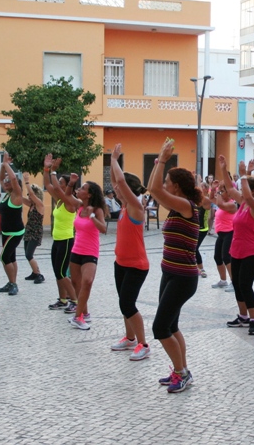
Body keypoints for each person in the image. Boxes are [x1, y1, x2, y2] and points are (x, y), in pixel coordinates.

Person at [148, 138, 201, 393]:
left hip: (183, 277)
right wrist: (159, 163)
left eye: (168, 181)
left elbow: (155, 190)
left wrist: (162, 159)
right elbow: (153, 189)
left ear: (176, 187)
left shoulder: (186, 206)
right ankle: (182, 370)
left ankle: (181, 373)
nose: (164, 184)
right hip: (169, 272)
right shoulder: (175, 205)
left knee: (160, 328)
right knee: (171, 326)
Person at [49, 162, 106, 330]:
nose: (79, 190)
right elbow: (65, 195)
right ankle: (85, 313)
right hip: (76, 250)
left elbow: (103, 229)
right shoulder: (79, 206)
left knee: (87, 281)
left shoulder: (97, 210)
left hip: (90, 251)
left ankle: (78, 317)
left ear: (89, 194)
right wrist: (71, 183)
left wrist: (92, 217)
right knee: (76, 283)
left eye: (82, 188)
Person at [107, 143, 152, 361]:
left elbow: (121, 182)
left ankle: (143, 344)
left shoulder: (135, 206)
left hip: (136, 265)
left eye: (120, 187)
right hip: (121, 263)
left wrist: (114, 160)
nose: (115, 189)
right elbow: (117, 181)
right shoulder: (125, 206)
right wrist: (112, 163)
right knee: (123, 303)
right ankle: (130, 338)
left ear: (129, 190)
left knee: (128, 304)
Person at [219, 156, 254, 335]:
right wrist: (224, 169)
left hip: (252, 251)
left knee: (245, 285)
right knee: (237, 284)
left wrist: (244, 174)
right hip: (237, 250)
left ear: (252, 191)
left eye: (244, 186)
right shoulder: (244, 203)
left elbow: (243, 193)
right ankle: (243, 316)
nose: (239, 189)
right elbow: (230, 189)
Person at [43, 159, 79, 313]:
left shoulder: (69, 201)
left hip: (66, 240)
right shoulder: (59, 201)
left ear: (68, 186)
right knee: (57, 273)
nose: (58, 184)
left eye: (61, 183)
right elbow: (48, 185)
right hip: (57, 240)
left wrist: (53, 170)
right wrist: (46, 169)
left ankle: (75, 301)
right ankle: (63, 299)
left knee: (62, 272)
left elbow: (55, 187)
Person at [0, 152, 25, 296]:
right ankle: (11, 282)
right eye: (6, 181)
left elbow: (13, 178)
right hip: (5, 231)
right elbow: (1, 178)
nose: (6, 182)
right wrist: (3, 165)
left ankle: (13, 284)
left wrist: (7, 164)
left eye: (9, 181)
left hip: (15, 232)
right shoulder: (7, 194)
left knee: (4, 257)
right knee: (11, 257)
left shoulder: (16, 195)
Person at [210, 180, 237, 290]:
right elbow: (211, 199)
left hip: (230, 233)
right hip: (221, 234)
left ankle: (234, 282)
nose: (221, 193)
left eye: (223, 191)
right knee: (217, 257)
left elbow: (219, 204)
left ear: (229, 193)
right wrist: (213, 189)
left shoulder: (232, 204)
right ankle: (223, 280)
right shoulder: (222, 202)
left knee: (226, 257)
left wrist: (219, 191)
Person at [22, 173, 45, 284]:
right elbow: (20, 198)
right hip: (28, 231)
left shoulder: (39, 205)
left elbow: (31, 193)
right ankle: (34, 272)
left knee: (29, 254)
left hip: (36, 232)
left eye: (30, 195)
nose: (28, 196)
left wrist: (27, 181)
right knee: (27, 253)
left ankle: (39, 274)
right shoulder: (31, 205)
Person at [193, 177, 211, 279]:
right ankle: (194, 267)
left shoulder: (206, 200)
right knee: (192, 248)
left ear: (206, 189)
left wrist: (198, 182)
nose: (200, 188)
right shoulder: (198, 199)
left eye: (202, 187)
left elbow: (200, 202)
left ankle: (201, 269)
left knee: (195, 248)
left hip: (202, 229)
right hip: (195, 227)